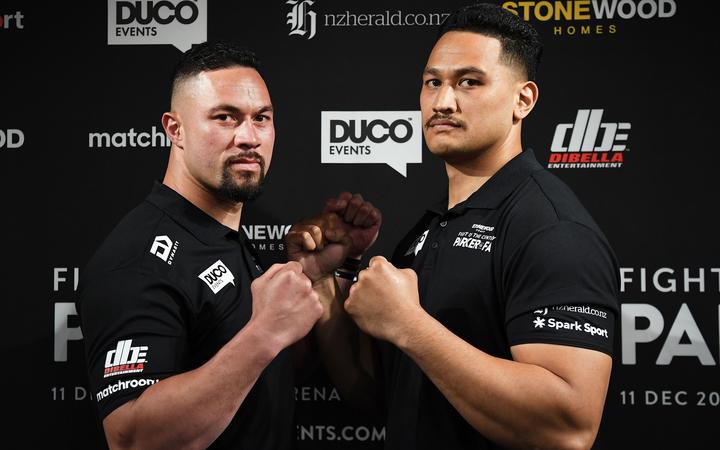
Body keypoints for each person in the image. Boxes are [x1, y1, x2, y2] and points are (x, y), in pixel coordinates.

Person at [292, 4, 620, 450]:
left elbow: (568, 428)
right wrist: (328, 280)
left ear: (523, 100)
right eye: (433, 83)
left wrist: (409, 325)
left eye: (469, 82)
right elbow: (374, 395)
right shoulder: (434, 227)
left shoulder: (551, 228)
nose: (443, 102)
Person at [77, 41, 377, 450]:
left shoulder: (222, 236)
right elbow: (132, 437)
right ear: (175, 130)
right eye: (225, 118)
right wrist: (264, 333)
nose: (249, 137)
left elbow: (258, 378)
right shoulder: (136, 260)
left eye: (261, 118)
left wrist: (322, 278)